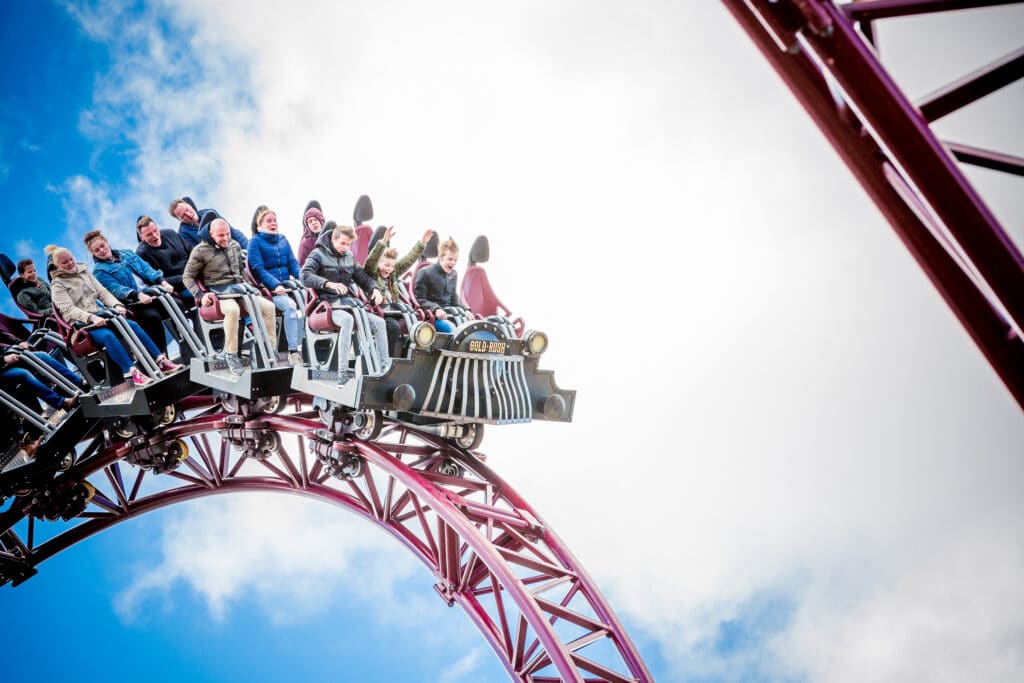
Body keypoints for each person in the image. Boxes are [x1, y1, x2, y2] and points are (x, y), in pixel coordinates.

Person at [47, 245, 180, 387]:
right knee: (107, 335)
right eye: (65, 263)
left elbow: (102, 293)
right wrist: (91, 318)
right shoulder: (57, 286)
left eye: (71, 259)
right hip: (82, 326)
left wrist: (117, 305)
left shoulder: (84, 272)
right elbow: (69, 310)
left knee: (132, 325)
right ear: (57, 266)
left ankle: (159, 360)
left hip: (102, 315)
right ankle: (131, 372)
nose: (70, 264)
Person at [182, 218, 277, 376]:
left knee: (268, 307)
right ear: (211, 234)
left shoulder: (234, 245)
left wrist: (251, 287)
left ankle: (269, 349)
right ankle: (231, 355)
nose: (226, 238)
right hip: (219, 295)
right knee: (233, 310)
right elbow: (187, 277)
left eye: (227, 234)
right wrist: (200, 295)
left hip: (238, 290)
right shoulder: (200, 251)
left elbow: (241, 271)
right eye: (221, 236)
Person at [300, 225, 389, 381]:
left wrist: (374, 289)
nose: (345, 247)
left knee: (380, 323)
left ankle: (383, 369)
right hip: (325, 306)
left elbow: (363, 278)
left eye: (348, 244)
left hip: (347, 305)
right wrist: (328, 284)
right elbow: (305, 276)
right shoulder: (318, 254)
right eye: (342, 243)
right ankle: (342, 374)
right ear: (333, 239)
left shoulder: (349, 257)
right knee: (348, 320)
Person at [85, 229, 177, 356]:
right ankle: (161, 355)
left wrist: (162, 282)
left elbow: (146, 269)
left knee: (176, 303)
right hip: (134, 302)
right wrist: (137, 295)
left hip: (150, 292)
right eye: (97, 250)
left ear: (107, 243)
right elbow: (116, 289)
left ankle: (185, 340)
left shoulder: (127, 254)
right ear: (93, 254)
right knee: (153, 317)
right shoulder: (99, 271)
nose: (102, 250)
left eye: (102, 246)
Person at [248, 205, 304, 364]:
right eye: (269, 221)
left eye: (275, 220)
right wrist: (275, 285)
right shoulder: (255, 242)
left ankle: (312, 346)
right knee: (291, 306)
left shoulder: (283, 240)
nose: (273, 223)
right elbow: (258, 269)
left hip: (288, 287)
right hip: (271, 291)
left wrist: (304, 281)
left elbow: (293, 264)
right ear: (260, 226)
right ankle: (293, 351)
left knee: (310, 301)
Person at [364, 227, 433, 355]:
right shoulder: (372, 274)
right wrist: (383, 242)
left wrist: (422, 243)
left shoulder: (393, 274)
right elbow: (370, 261)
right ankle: (386, 360)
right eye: (386, 265)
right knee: (393, 326)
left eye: (391, 266)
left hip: (393, 311)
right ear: (378, 264)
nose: (389, 269)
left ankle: (409, 355)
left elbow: (408, 260)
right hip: (378, 313)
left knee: (416, 321)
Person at [0, 342, 83, 411]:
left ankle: (79, 382)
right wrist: (3, 360)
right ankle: (63, 402)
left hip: (5, 360)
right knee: (23, 373)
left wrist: (17, 345)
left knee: (42, 355)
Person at [135, 215, 194, 305]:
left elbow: (191, 250)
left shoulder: (170, 233)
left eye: (155, 230)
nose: (155, 236)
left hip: (196, 273)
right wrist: (186, 277)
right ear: (142, 237)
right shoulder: (141, 255)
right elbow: (154, 281)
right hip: (180, 288)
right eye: (149, 234)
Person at [413, 237, 467, 333]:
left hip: (450, 314)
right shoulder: (425, 272)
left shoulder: (454, 274)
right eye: (450, 259)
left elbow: (454, 298)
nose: (453, 263)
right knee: (454, 331)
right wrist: (436, 309)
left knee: (471, 329)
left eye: (455, 260)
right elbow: (419, 299)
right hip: (433, 316)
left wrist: (466, 310)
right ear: (441, 258)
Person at [168, 196, 249, 251]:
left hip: (235, 247)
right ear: (179, 220)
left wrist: (247, 249)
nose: (188, 214)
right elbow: (200, 253)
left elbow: (232, 231)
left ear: (189, 205)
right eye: (183, 215)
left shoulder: (209, 212)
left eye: (186, 209)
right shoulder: (183, 235)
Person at [297, 201, 325, 266]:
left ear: (321, 220)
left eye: (315, 219)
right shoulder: (305, 244)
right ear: (307, 225)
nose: (313, 223)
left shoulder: (331, 238)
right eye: (310, 221)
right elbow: (302, 267)